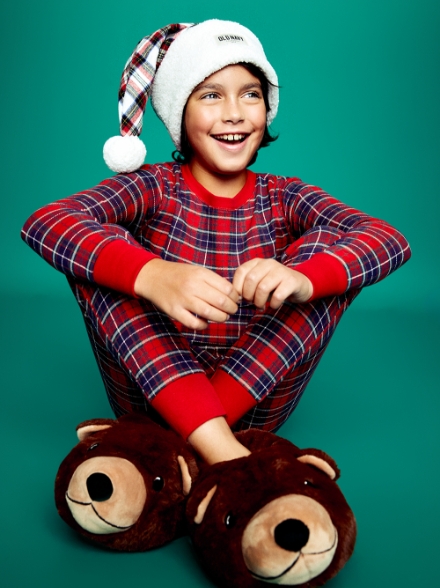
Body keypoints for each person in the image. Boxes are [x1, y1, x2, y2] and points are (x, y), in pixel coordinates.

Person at [21, 20, 411, 465]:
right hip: (147, 388)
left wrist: (302, 279)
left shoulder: (283, 195)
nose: (234, 112)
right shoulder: (154, 186)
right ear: (179, 114)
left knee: (330, 250)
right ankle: (225, 458)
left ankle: (181, 446)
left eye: (250, 94)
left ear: (267, 110)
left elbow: (388, 239)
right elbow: (46, 221)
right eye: (211, 95)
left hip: (254, 401)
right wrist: (152, 275)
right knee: (101, 250)